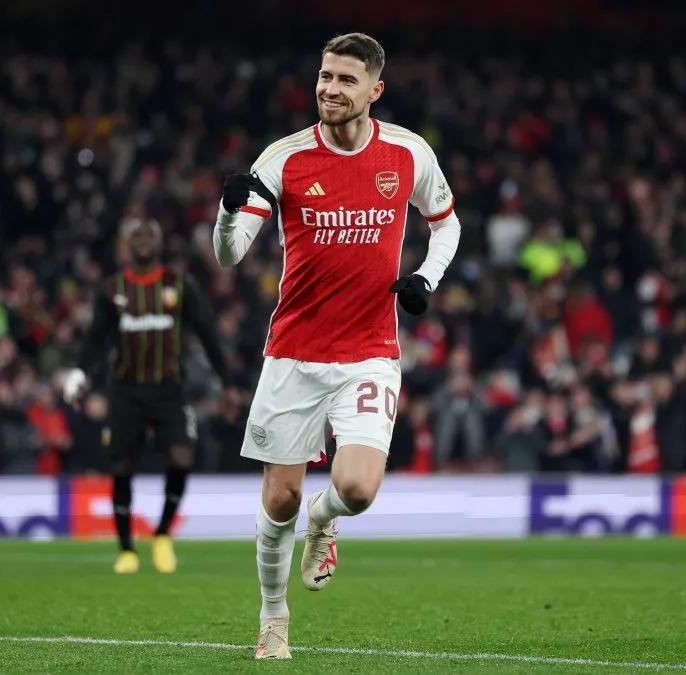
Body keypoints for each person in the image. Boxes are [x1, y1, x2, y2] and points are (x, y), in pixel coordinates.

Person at [213, 33, 461, 659]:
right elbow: (230, 254)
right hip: (294, 351)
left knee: (356, 490)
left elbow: (447, 223)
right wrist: (226, 213)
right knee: (279, 498)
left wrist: (426, 278)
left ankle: (323, 524)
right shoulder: (286, 159)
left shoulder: (407, 153)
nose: (330, 88)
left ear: (375, 90)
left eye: (346, 80)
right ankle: (274, 619)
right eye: (325, 76)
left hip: (370, 351)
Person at [63, 218, 236, 574]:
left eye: (149, 235)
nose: (143, 241)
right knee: (121, 466)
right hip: (126, 390)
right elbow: (96, 338)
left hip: (170, 388)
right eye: (136, 236)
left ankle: (161, 535)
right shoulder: (113, 289)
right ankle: (126, 549)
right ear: (127, 244)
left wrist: (228, 382)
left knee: (181, 456)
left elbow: (207, 334)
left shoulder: (179, 285)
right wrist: (79, 372)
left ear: (159, 244)